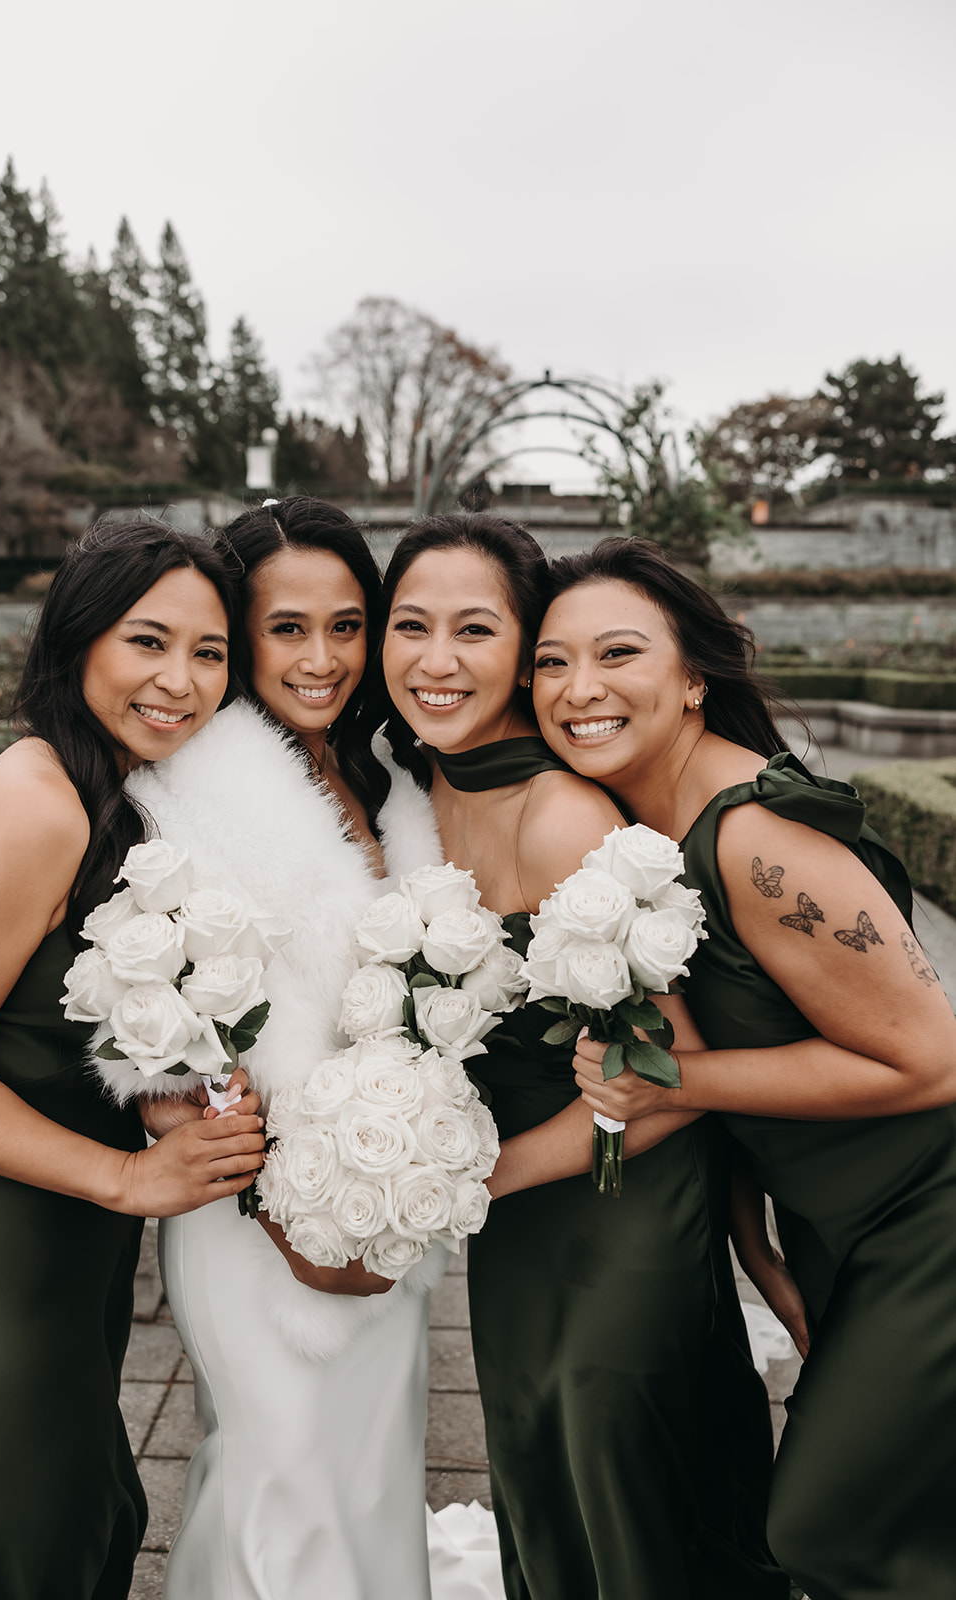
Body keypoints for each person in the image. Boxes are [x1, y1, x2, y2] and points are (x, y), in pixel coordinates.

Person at [535, 535, 956, 1600]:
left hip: (931, 1218)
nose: (576, 687)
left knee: (828, 1526)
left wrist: (669, 1082)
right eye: (549, 660)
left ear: (691, 679)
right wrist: (755, 1248)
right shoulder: (638, 829)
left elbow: (930, 1061)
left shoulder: (754, 835)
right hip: (833, 1228)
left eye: (616, 653)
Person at [381, 512, 787, 1600]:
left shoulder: (562, 818)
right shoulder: (415, 793)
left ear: (521, 652)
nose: (436, 658)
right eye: (408, 625)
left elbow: (669, 1078)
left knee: (618, 1460)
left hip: (621, 1205)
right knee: (532, 1446)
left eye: (474, 629)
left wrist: (464, 1178)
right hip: (518, 1219)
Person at [0, 518, 267, 1600]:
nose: (181, 681)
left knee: (93, 1522)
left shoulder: (119, 793)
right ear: (78, 637)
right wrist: (124, 1176)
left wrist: (160, 1101)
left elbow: (60, 1023)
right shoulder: (34, 801)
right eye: (148, 642)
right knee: (27, 1556)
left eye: (209, 653)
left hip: (69, 1264)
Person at [129, 497, 464, 1600]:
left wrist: (399, 1178)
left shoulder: (382, 770)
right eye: (284, 627)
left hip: (384, 1194)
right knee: (284, 1482)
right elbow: (162, 1032)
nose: (321, 658)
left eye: (346, 624)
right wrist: (290, 1219)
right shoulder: (187, 790)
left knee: (365, 1478)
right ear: (238, 630)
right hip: (256, 1212)